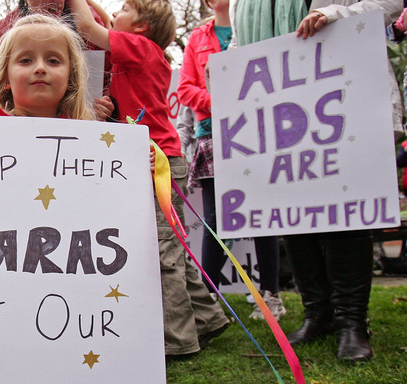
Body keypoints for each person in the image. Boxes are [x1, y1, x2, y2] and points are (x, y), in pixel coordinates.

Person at [230, 0, 402, 361]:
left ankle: (351, 322)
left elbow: (389, 4)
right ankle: (317, 314)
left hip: (342, 92)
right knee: (292, 209)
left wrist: (335, 15)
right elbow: (240, 43)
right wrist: (230, 72)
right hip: (281, 106)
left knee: (346, 210)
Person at [67, 0, 231, 358]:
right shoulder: (137, 52)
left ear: (141, 27)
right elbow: (107, 23)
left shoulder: (141, 49)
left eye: (125, 7)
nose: (116, 13)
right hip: (156, 157)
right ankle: (207, 318)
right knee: (173, 245)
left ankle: (178, 341)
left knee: (162, 250)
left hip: (156, 161)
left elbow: (89, 27)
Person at [178, 0, 285, 321]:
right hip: (212, 135)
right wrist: (222, 103)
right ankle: (209, 296)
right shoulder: (197, 38)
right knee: (215, 219)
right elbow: (185, 88)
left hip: (256, 133)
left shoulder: (255, 27)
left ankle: (271, 295)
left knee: (263, 214)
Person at [0, 0, 116, 122]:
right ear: (5, 78)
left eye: (53, 61)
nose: (40, 68)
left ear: (71, 78)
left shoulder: (87, 135)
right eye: (26, 60)